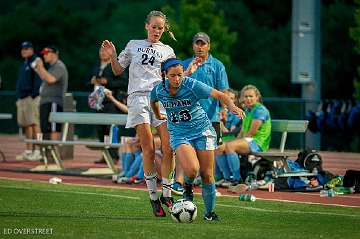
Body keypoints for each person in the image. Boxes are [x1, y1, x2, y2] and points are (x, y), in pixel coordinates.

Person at [101, 10, 177, 217]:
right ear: (147, 26)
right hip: (138, 98)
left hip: (161, 99)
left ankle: (167, 193)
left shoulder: (168, 50)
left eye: (160, 28)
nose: (157, 31)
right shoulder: (134, 44)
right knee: (149, 149)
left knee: (170, 147)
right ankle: (154, 198)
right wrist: (112, 55)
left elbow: (174, 76)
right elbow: (117, 70)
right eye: (154, 27)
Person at [150, 58, 244, 221]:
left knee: (207, 174)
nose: (177, 79)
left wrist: (232, 107)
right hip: (180, 134)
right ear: (164, 75)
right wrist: (158, 115)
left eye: (179, 75)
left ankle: (210, 213)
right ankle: (187, 186)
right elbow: (153, 101)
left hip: (202, 131)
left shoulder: (191, 84)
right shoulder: (158, 90)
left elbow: (220, 94)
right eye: (173, 76)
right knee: (192, 169)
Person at [183, 32, 230, 187]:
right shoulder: (184, 65)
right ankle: (184, 184)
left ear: (209, 46)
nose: (200, 46)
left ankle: (210, 185)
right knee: (188, 154)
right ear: (193, 45)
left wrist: (224, 109)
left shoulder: (217, 65)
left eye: (203, 43)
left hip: (211, 118)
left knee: (211, 154)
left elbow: (224, 91)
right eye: (197, 43)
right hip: (188, 117)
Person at [87, 47, 131, 163]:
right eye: (100, 51)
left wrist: (108, 82)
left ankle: (113, 155)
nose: (102, 53)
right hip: (97, 102)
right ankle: (104, 155)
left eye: (105, 51)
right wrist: (91, 82)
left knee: (111, 128)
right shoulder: (96, 67)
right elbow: (87, 82)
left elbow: (124, 82)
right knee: (100, 129)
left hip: (112, 102)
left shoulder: (116, 66)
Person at [223, 85, 271, 185]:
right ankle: (226, 178)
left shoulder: (260, 110)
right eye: (245, 96)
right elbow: (242, 132)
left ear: (257, 97)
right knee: (220, 147)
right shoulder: (247, 110)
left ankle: (236, 179)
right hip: (248, 141)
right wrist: (233, 141)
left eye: (251, 96)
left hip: (258, 143)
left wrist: (233, 143)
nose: (248, 99)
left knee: (230, 146)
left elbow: (251, 133)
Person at [32, 46, 68, 141]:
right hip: (46, 101)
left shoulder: (59, 66)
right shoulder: (51, 67)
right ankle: (48, 153)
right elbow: (45, 77)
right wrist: (38, 69)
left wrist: (41, 67)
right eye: (44, 54)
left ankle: (54, 153)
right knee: (46, 128)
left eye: (46, 53)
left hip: (54, 101)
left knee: (54, 129)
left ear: (55, 54)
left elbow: (51, 79)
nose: (44, 56)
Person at [15, 41, 42, 161]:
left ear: (32, 50)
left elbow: (39, 79)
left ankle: (38, 150)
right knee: (27, 125)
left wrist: (33, 95)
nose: (24, 51)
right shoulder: (25, 62)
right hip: (23, 97)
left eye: (26, 49)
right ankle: (29, 150)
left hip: (31, 97)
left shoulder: (36, 61)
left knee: (34, 123)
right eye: (22, 49)